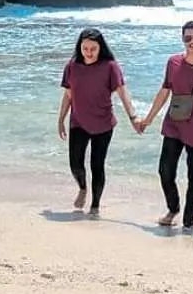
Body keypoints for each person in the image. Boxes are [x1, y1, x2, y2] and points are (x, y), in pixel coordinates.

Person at [135, 20, 193, 230]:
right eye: (187, 38)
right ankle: (173, 208)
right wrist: (147, 120)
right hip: (173, 125)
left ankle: (188, 223)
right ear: (182, 39)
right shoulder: (173, 62)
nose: (192, 42)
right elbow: (164, 92)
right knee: (165, 171)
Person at [57, 28, 138, 217]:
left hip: (103, 124)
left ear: (100, 48)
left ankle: (95, 205)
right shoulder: (72, 66)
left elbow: (122, 93)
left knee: (97, 165)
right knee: (75, 164)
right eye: (85, 48)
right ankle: (83, 187)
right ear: (80, 48)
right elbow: (68, 95)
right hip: (78, 121)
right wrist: (61, 119)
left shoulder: (110, 66)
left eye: (93, 48)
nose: (89, 53)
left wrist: (133, 117)